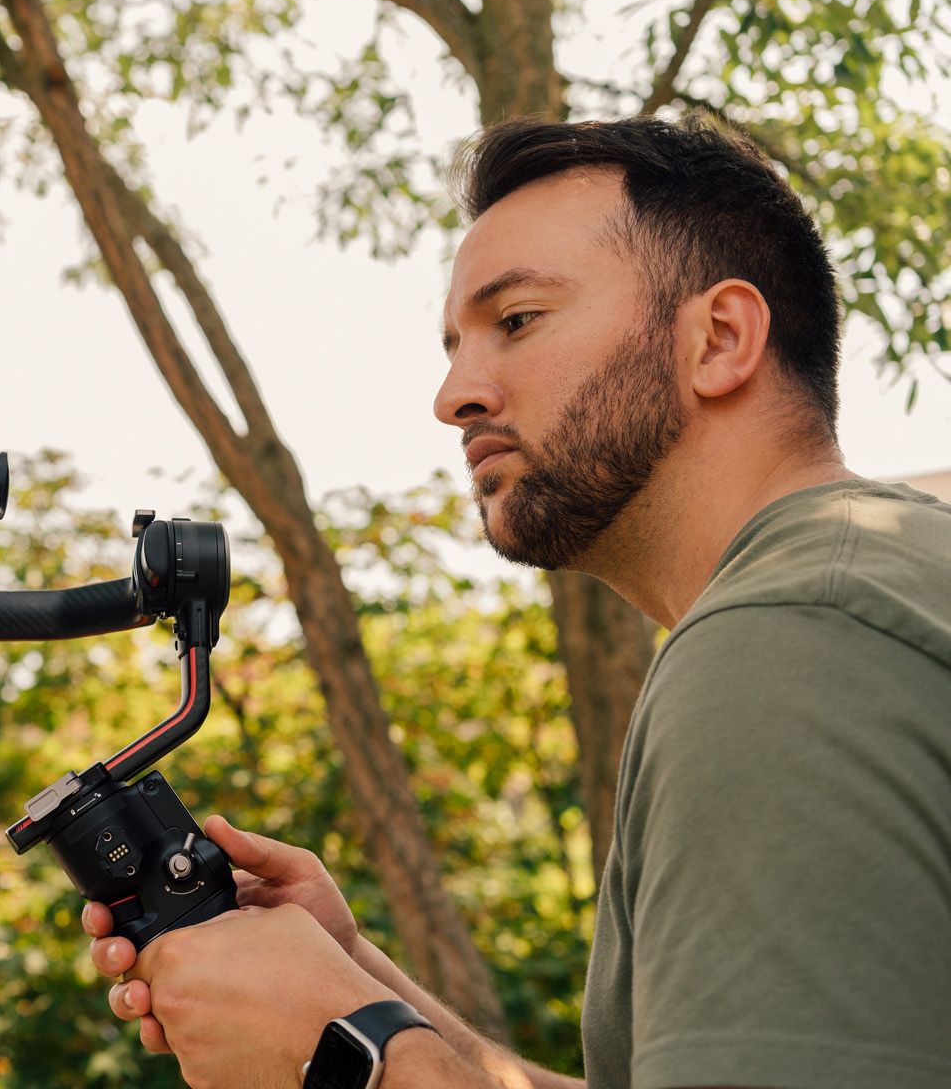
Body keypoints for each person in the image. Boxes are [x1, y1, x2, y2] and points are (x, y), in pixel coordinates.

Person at [80, 116, 951, 1089]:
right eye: (456, 344)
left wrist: (346, 1055)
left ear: (720, 338)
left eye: (519, 321)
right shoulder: (850, 593)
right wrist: (360, 984)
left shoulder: (788, 643)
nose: (454, 394)